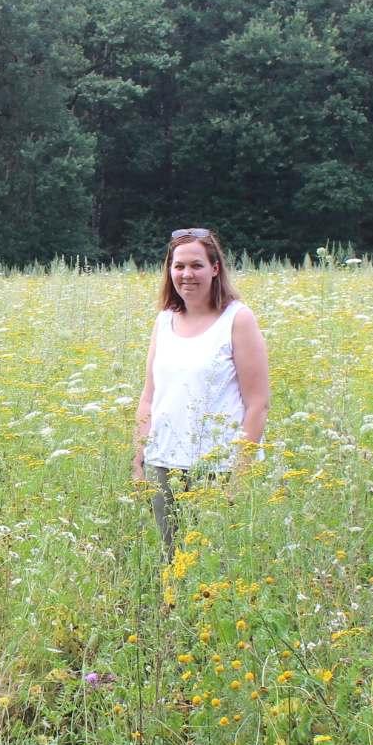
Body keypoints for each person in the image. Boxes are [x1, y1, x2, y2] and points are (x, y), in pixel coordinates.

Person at [132, 228, 270, 550]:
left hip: (217, 468)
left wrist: (240, 476)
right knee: (171, 559)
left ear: (215, 268)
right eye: (178, 266)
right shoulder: (164, 321)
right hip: (164, 462)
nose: (187, 275)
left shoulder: (237, 319)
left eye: (196, 265)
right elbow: (149, 396)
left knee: (214, 564)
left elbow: (258, 404)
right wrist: (139, 458)